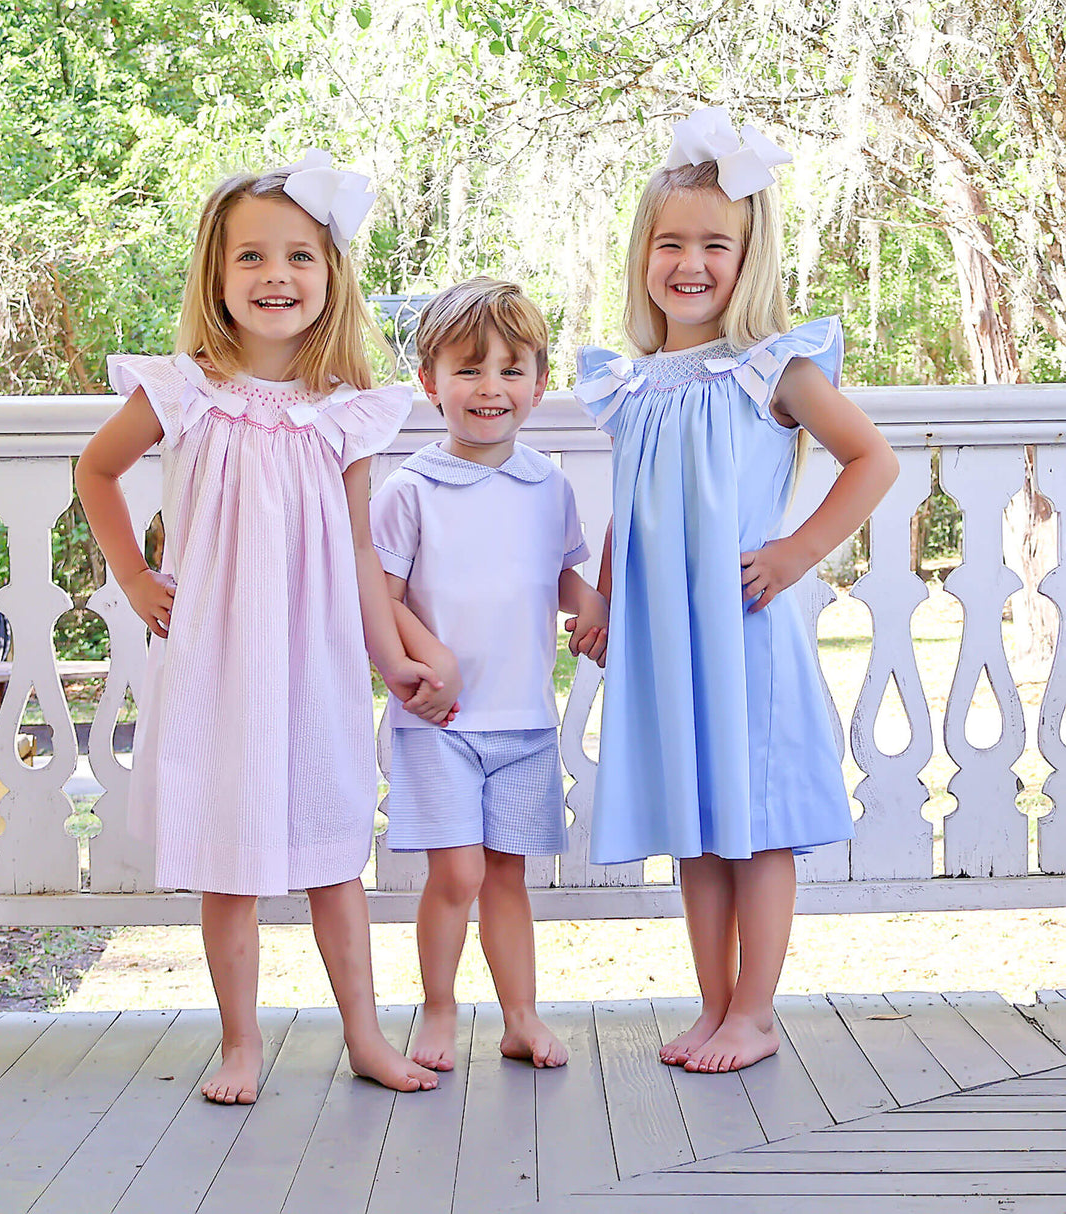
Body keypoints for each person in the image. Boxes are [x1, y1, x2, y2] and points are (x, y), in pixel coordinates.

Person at [75, 150, 442, 1103]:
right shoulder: (185, 391)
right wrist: (137, 577)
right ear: (217, 272)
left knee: (332, 855)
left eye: (299, 258)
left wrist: (392, 655)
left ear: (332, 275)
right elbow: (96, 472)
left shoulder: (346, 413)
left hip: (316, 658)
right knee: (227, 861)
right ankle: (241, 1044)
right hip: (218, 658)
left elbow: (364, 555)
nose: (276, 277)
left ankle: (365, 1036)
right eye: (252, 258)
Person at [577, 109, 899, 1074]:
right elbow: (627, 508)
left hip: (744, 627)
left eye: (716, 243)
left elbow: (871, 461)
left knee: (754, 829)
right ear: (643, 256)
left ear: (748, 256)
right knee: (699, 823)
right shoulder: (633, 383)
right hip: (665, 636)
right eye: (670, 242)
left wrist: (798, 551)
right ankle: (713, 1005)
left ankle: (756, 1011)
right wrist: (599, 598)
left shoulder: (773, 367)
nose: (691, 262)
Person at [370, 279, 609, 1071]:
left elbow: (560, 581)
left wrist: (595, 606)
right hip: (438, 722)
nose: (490, 388)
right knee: (458, 872)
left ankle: (521, 1018)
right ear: (428, 381)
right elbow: (382, 598)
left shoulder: (548, 485)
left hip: (526, 722)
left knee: (508, 875)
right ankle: (438, 1011)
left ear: (539, 385)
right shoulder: (409, 491)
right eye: (469, 369)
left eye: (512, 370)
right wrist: (420, 660)